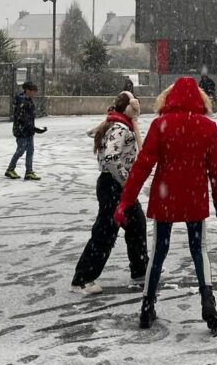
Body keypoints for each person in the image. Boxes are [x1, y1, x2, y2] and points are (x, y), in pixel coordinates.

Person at [114, 77, 217, 332]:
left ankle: (147, 305)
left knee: (158, 251)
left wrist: (125, 201)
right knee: (199, 249)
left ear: (170, 98)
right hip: (194, 196)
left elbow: (143, 166)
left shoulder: (160, 125)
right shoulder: (207, 127)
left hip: (165, 196)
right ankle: (207, 301)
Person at [71, 92, 149, 295]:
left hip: (114, 184)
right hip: (114, 185)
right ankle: (82, 278)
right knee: (105, 230)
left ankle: (140, 270)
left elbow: (92, 133)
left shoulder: (114, 123)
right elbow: (111, 158)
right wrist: (125, 180)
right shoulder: (120, 128)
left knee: (136, 225)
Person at [5, 82, 46, 180]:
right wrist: (34, 128)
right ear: (28, 90)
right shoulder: (21, 101)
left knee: (30, 151)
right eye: (33, 91)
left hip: (28, 130)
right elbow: (22, 118)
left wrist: (33, 128)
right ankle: (10, 169)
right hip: (21, 131)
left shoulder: (28, 100)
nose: (34, 94)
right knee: (21, 150)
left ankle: (29, 172)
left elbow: (28, 118)